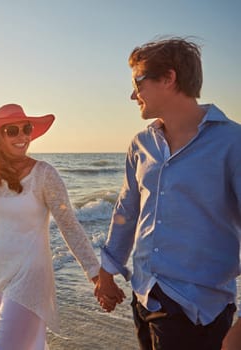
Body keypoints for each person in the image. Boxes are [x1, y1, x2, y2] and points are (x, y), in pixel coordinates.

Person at [93, 37, 241, 350]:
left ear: (169, 78)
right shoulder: (140, 144)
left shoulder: (233, 143)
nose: (133, 95)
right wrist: (107, 272)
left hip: (198, 310)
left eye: (138, 82)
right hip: (145, 296)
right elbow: (126, 212)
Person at [0, 103, 100, 350]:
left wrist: (94, 272)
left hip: (30, 276)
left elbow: (68, 224)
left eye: (26, 129)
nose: (23, 136)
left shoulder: (44, 174)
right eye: (12, 131)